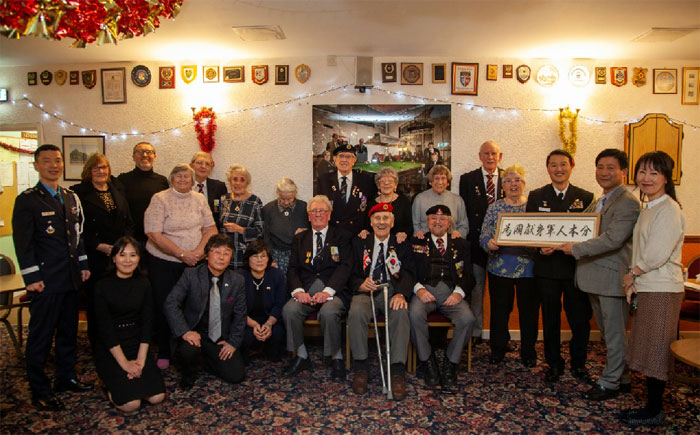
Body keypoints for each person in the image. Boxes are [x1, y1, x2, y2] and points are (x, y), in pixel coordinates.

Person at [12, 144, 92, 411]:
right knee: (41, 336)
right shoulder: (28, 200)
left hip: (70, 278)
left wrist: (83, 264)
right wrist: (31, 277)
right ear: (36, 165)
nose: (54, 165)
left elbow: (78, 236)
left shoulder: (70, 197)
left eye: (57, 160)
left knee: (68, 332)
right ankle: (39, 389)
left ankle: (65, 377)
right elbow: (23, 244)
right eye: (46, 161)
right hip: (45, 280)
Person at [558, 149, 640, 400]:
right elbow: (582, 228)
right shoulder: (601, 200)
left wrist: (575, 249)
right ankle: (622, 377)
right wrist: (554, 242)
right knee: (607, 333)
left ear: (623, 171)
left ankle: (609, 382)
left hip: (611, 277)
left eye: (610, 168)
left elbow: (613, 239)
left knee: (614, 334)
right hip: (594, 277)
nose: (604, 173)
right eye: (600, 167)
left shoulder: (627, 202)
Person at [620, 151, 685, 426]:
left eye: (654, 173)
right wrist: (634, 279)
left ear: (666, 178)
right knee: (648, 347)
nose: (646, 178)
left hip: (662, 288)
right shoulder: (650, 208)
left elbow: (657, 254)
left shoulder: (669, 209)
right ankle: (651, 405)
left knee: (656, 349)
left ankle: (655, 410)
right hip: (648, 285)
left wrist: (631, 274)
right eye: (642, 172)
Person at [526, 149, 594, 383]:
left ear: (572, 166)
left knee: (579, 320)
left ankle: (579, 363)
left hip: (576, 270)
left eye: (563, 164)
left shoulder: (586, 197)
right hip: (547, 270)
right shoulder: (537, 196)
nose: (558, 169)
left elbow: (592, 234)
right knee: (550, 319)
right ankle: (553, 363)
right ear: (547, 168)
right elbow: (530, 231)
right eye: (553, 165)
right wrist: (539, 248)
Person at [144, 163, 218, 369]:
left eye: (187, 176)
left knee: (191, 305)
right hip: (163, 262)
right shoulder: (160, 198)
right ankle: (164, 350)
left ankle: (186, 348)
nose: (183, 179)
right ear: (171, 179)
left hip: (194, 261)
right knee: (166, 304)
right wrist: (181, 254)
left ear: (193, 180)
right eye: (179, 176)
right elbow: (153, 233)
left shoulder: (199, 199)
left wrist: (198, 252)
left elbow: (211, 229)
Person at [281, 195, 352, 380]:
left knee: (329, 312)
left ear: (329, 214)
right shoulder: (299, 238)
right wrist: (298, 291)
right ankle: (301, 355)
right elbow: (292, 268)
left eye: (322, 211)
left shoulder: (342, 236)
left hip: (334, 290)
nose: (318, 214)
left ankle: (336, 357)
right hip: (306, 288)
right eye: (314, 211)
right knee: (289, 310)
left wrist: (327, 292)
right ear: (308, 215)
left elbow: (345, 267)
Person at [347, 203, 413, 400]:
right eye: (377, 218)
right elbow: (348, 271)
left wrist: (401, 293)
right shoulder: (359, 242)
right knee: (356, 312)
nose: (381, 222)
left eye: (386, 218)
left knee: (401, 312)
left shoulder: (401, 243)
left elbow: (409, 272)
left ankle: (397, 372)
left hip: (392, 291)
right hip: (366, 291)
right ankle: (361, 367)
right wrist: (359, 284)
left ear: (392, 223)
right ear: (371, 222)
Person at [164, 235, 247, 389]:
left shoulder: (237, 280)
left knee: (236, 375)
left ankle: (206, 360)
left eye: (226, 253)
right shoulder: (191, 275)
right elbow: (171, 303)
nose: (221, 257)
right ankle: (189, 372)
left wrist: (232, 342)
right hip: (195, 333)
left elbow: (240, 315)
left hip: (220, 336)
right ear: (207, 255)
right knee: (188, 352)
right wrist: (185, 332)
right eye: (217, 252)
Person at [93, 237, 165, 412]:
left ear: (139, 258)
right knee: (131, 404)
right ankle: (108, 384)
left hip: (136, 342)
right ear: (113, 258)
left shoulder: (144, 283)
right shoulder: (101, 286)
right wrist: (125, 364)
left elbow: (147, 323)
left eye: (133, 255)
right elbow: (105, 330)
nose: (127, 260)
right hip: (112, 348)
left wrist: (140, 360)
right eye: (122, 255)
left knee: (157, 397)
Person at [409, 205, 476, 390]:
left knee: (467, 319)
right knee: (414, 314)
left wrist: (458, 293)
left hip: (451, 293)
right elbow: (408, 271)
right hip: (425, 291)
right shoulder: (416, 242)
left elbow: (469, 275)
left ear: (449, 223)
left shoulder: (462, 245)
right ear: (427, 222)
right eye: (433, 218)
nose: (437, 222)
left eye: (442, 219)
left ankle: (450, 364)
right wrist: (419, 290)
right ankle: (427, 361)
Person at [70, 153, 133, 348]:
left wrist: (123, 245)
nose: (100, 171)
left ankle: (118, 341)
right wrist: (99, 245)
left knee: (118, 301)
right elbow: (77, 228)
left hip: (119, 256)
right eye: (96, 168)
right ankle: (98, 344)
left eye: (104, 167)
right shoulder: (78, 193)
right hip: (95, 255)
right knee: (97, 303)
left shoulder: (118, 190)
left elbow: (128, 222)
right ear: (89, 171)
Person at [479, 165, 538, 367]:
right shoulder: (495, 208)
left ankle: (528, 351)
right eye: (508, 181)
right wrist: (488, 243)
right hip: (500, 267)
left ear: (524, 184)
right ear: (502, 186)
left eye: (517, 180)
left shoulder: (532, 207)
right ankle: (498, 347)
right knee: (500, 310)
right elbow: (484, 234)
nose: (513, 184)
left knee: (528, 312)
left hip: (528, 269)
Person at [459, 140, 505, 342]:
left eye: (494, 153)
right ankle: (475, 334)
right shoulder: (467, 179)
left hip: (503, 248)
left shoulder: (509, 178)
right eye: (486, 153)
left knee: (501, 296)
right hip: (476, 245)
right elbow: (465, 214)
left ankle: (500, 337)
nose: (490, 157)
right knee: (476, 291)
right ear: (480, 156)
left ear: (500, 156)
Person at [237, 240, 286, 362]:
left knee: (278, 336)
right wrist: (254, 325)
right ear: (248, 259)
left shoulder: (277, 275)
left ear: (268, 259)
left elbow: (280, 304)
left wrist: (268, 324)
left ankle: (267, 349)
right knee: (245, 339)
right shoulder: (239, 277)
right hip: (247, 319)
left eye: (263, 256)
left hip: (270, 318)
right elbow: (238, 307)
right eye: (255, 256)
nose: (259, 260)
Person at [317, 143, 377, 236]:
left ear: (354, 160)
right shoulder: (324, 180)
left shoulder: (365, 180)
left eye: (348, 157)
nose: (344, 160)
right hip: (333, 234)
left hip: (358, 235)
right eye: (341, 156)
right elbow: (318, 207)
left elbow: (371, 206)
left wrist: (367, 229)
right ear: (334, 159)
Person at [117, 142, 169, 246]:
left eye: (148, 152)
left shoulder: (162, 181)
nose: (144, 155)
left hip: (156, 238)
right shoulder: (122, 180)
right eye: (140, 152)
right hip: (131, 238)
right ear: (133, 157)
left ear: (154, 157)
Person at [219, 164, 264, 269]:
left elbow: (260, 232)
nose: (238, 183)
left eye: (242, 180)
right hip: (224, 255)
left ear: (247, 183)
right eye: (235, 179)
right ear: (230, 182)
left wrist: (240, 230)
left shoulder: (255, 202)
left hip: (245, 256)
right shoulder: (224, 199)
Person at [262, 178, 309, 274]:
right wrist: (270, 258)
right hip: (277, 254)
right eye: (282, 199)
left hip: (299, 253)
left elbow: (313, 229)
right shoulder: (268, 209)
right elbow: (266, 237)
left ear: (295, 194)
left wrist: (306, 230)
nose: (286, 202)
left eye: (290, 199)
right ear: (277, 194)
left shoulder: (304, 207)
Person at [412, 164, 468, 239]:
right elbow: (415, 225)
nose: (440, 182)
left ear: (448, 182)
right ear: (430, 181)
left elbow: (464, 226)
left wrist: (459, 234)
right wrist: (418, 233)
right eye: (436, 178)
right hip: (426, 242)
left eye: (443, 178)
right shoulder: (419, 199)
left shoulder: (458, 200)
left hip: (451, 242)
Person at [362, 166, 413, 242]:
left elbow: (409, 227)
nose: (386, 183)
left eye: (390, 181)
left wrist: (404, 234)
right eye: (382, 181)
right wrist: (365, 231)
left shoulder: (404, 202)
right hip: (376, 243)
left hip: (398, 242)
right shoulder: (371, 203)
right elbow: (367, 227)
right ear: (378, 185)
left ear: (395, 185)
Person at [189, 151, 228, 223]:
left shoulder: (219, 187)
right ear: (191, 165)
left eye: (207, 164)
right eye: (199, 162)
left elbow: (220, 212)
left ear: (211, 168)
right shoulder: (183, 186)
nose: (203, 166)